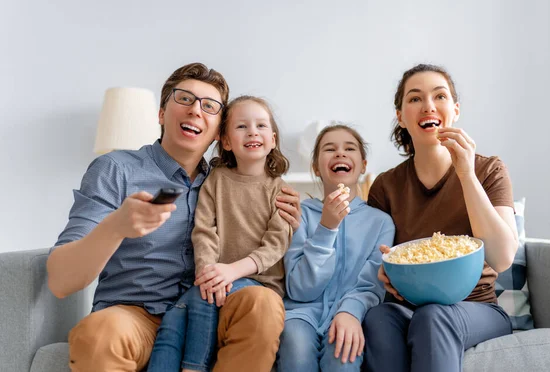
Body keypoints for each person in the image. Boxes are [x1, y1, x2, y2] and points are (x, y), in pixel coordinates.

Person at [46, 63, 301, 372]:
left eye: (209, 106)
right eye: (184, 99)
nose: (195, 110)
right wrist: (116, 227)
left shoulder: (228, 183)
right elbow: (60, 281)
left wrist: (295, 217)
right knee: (100, 335)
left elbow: (272, 236)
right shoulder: (116, 169)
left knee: (263, 304)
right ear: (161, 114)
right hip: (135, 317)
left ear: (220, 133)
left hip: (211, 312)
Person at [362, 64, 519, 372]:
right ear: (401, 116)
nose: (428, 106)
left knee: (433, 315)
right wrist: (382, 272)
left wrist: (465, 173)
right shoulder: (385, 186)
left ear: (455, 110)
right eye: (415, 98)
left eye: (440, 96)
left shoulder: (489, 171)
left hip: (478, 309)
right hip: (407, 308)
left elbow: (502, 258)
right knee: (378, 317)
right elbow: (375, 260)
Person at [148, 95, 293, 372]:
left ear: (272, 139)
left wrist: (229, 272)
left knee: (203, 299)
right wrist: (209, 271)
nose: (252, 131)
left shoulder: (281, 191)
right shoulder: (216, 180)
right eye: (241, 127)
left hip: (256, 282)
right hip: (214, 276)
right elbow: (204, 231)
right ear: (226, 142)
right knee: (173, 322)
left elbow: (274, 247)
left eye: (261, 126)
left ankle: (193, 367)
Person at [276, 124, 395, 372]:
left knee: (343, 359)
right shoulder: (301, 215)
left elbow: (371, 285)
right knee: (296, 349)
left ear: (362, 165)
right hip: (301, 314)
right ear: (316, 168)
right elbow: (298, 289)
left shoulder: (381, 222)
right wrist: (326, 229)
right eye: (329, 149)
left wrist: (350, 312)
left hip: (351, 314)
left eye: (349, 148)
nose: (340, 153)